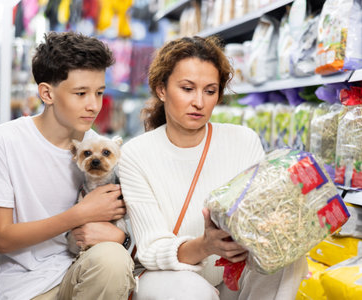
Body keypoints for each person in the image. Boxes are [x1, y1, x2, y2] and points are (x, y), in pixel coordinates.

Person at [118, 36, 308, 300]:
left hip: (234, 274)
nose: (199, 102)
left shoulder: (243, 140)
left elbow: (262, 217)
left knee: (288, 255)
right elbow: (151, 249)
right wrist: (206, 245)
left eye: (210, 91)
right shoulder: (136, 154)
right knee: (192, 291)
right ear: (161, 90)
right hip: (170, 280)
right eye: (187, 89)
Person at [0, 31, 135, 300]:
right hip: (26, 285)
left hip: (83, 271)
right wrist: (80, 214)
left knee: (113, 259)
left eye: (99, 93)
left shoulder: (101, 150)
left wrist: (121, 238)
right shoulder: (4, 141)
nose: (93, 105)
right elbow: (2, 237)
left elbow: (127, 232)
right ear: (47, 93)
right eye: (81, 93)